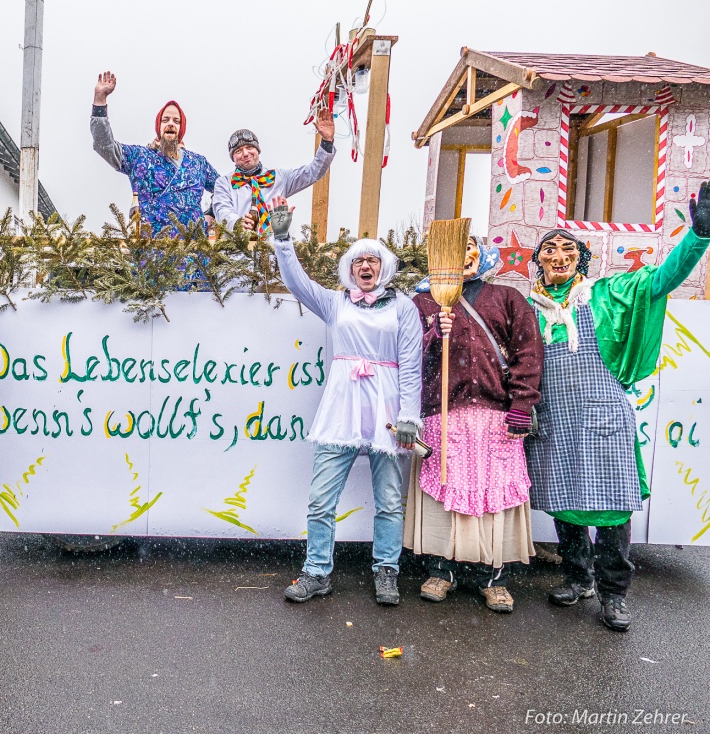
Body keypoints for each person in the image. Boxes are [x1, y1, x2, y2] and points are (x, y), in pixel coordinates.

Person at [526, 181, 710, 631]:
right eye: (549, 248)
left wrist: (699, 236)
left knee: (612, 506)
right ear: (539, 262)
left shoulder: (609, 294)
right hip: (556, 420)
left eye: (567, 247)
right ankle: (577, 577)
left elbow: (664, 278)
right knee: (563, 502)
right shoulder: (527, 308)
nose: (558, 253)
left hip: (604, 416)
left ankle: (613, 594)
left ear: (580, 259)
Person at [269, 196, 423, 606]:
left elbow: (411, 365)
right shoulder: (336, 302)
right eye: (359, 262)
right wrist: (283, 240)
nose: (366, 267)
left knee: (390, 499)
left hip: (387, 410)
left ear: (384, 268)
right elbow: (297, 283)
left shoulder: (404, 308)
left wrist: (410, 415)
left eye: (373, 260)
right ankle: (317, 572)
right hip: (341, 409)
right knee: (322, 497)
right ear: (350, 270)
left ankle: (386, 571)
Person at [405, 236, 544, 613]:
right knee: (443, 490)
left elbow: (527, 353)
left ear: (481, 254)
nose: (463, 254)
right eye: (456, 247)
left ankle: (492, 576)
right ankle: (440, 569)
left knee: (492, 493)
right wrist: (433, 329)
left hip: (495, 416)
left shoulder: (508, 299)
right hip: (442, 413)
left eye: (471, 247)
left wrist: (521, 405)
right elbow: (405, 356)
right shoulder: (422, 301)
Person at [90, 70, 220, 235]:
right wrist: (100, 99)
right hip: (151, 252)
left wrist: (210, 213)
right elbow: (104, 145)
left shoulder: (198, 164)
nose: (170, 124)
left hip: (193, 253)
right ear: (159, 127)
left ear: (182, 129)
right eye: (165, 120)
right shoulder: (140, 157)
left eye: (176, 121)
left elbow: (223, 191)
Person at [212, 112, 336, 236]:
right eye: (238, 151)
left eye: (249, 147)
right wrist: (238, 223)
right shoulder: (224, 183)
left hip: (272, 250)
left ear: (257, 150)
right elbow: (222, 211)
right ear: (233, 158)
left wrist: (327, 141)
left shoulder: (279, 178)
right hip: (237, 251)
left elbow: (313, 172)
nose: (245, 153)